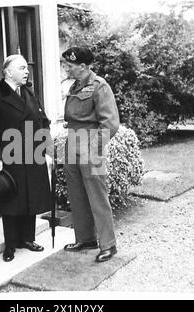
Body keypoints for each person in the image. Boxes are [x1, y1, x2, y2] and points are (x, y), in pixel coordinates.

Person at [0, 54, 52, 262]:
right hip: (7, 158)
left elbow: (43, 121)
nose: (26, 71)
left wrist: (45, 150)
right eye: (21, 68)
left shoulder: (29, 92)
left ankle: (27, 239)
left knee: (30, 198)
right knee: (10, 201)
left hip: (31, 155)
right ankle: (10, 245)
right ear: (8, 72)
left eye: (27, 68)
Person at [61, 47, 120, 262]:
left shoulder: (99, 86)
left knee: (97, 195)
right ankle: (85, 238)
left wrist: (93, 148)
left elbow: (110, 123)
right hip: (72, 142)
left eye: (70, 65)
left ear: (84, 67)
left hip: (90, 143)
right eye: (65, 64)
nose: (66, 68)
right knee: (76, 194)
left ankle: (108, 244)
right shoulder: (74, 86)